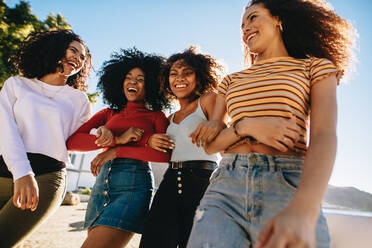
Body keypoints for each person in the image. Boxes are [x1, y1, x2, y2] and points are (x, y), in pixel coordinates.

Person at [187, 0, 356, 248]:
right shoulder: (231, 81)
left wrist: (304, 209)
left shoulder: (314, 67)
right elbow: (212, 147)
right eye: (242, 25)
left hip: (287, 183)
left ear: (278, 19)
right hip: (225, 187)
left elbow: (324, 134)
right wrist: (246, 126)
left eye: (253, 18)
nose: (245, 28)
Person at [67, 48, 171, 248]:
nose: (132, 82)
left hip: (133, 187)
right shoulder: (108, 113)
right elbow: (72, 142)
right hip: (100, 188)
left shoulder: (156, 116)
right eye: (128, 77)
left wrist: (118, 150)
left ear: (150, 84)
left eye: (140, 79)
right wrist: (117, 139)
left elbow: (164, 156)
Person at [0, 29, 92, 247]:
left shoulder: (79, 100)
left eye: (82, 57)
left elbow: (80, 138)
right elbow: (5, 129)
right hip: (5, 170)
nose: (78, 59)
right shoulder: (16, 84)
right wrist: (22, 171)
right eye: (73, 51)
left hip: (47, 176)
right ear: (55, 48)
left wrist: (104, 134)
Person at [139, 47, 226, 248]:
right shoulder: (168, 119)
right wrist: (149, 140)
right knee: (154, 242)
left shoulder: (208, 100)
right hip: (169, 182)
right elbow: (158, 151)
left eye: (187, 72)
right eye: (173, 73)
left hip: (202, 181)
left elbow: (223, 133)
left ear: (200, 76)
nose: (180, 78)